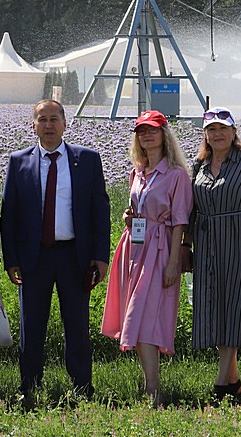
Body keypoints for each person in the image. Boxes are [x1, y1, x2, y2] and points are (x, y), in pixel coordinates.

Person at [0, 99, 111, 399]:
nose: (48, 125)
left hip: (75, 256)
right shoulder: (18, 161)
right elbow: (8, 215)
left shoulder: (86, 159)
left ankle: (82, 389)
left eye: (54, 119)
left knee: (76, 325)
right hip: (34, 258)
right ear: (33, 125)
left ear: (64, 123)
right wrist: (11, 260)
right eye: (42, 120)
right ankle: (30, 388)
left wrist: (101, 257)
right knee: (31, 326)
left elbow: (100, 209)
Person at [101, 110, 191, 405]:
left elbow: (180, 221)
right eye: (141, 131)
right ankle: (149, 382)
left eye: (152, 130)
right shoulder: (136, 172)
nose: (147, 135)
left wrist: (174, 262)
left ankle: (153, 388)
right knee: (135, 316)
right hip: (134, 247)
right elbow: (139, 207)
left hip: (160, 248)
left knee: (146, 315)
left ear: (164, 135)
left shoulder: (177, 175)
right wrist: (130, 216)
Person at [188, 108, 241, 403]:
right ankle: (233, 383)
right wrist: (186, 245)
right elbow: (190, 210)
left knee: (233, 305)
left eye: (223, 129)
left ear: (234, 133)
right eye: (212, 129)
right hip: (206, 242)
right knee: (212, 307)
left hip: (236, 239)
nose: (217, 134)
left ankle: (221, 385)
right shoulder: (199, 165)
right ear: (205, 135)